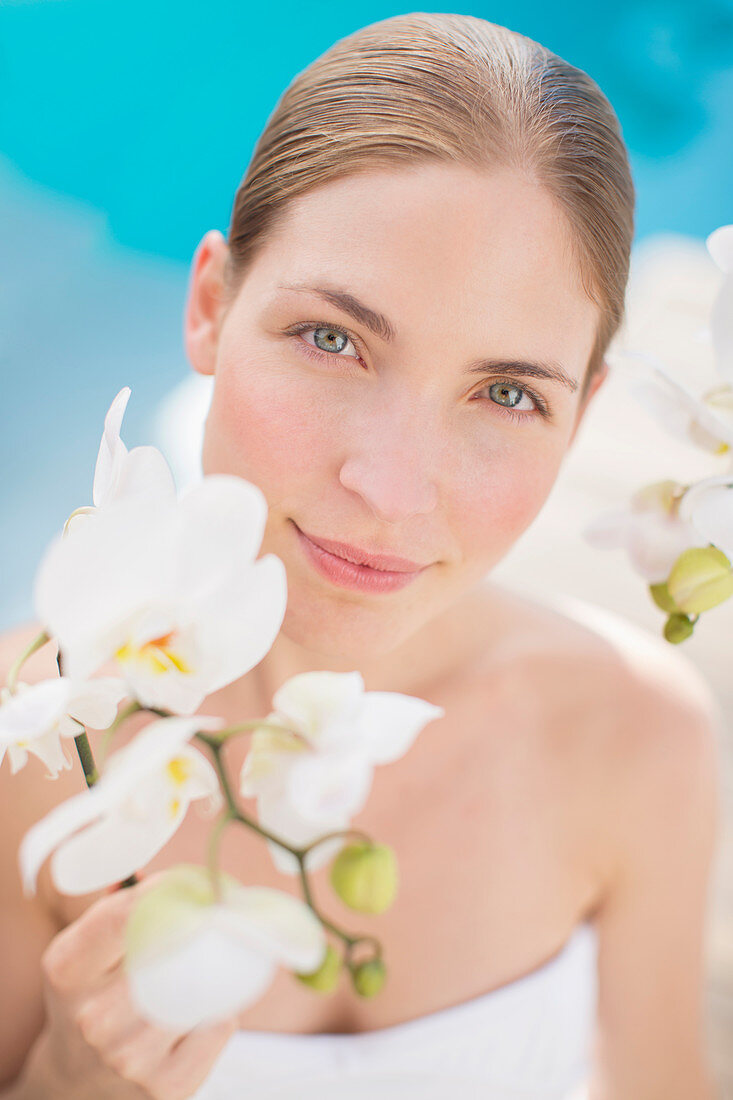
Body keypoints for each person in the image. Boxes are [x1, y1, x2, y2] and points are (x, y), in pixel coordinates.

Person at [0, 11, 723, 1100]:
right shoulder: (35, 749)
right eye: (332, 338)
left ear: (581, 419)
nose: (387, 488)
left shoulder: (636, 734)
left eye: (506, 393)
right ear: (209, 307)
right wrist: (65, 1078)